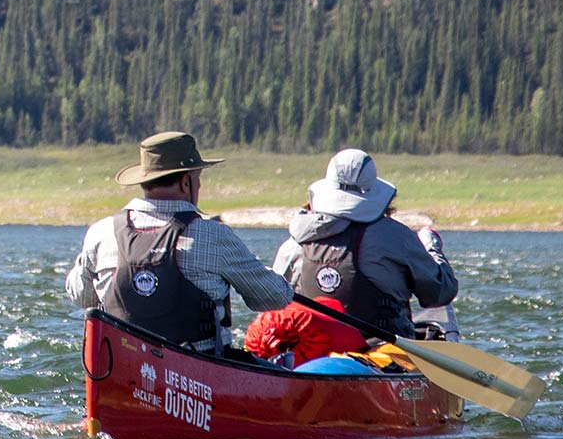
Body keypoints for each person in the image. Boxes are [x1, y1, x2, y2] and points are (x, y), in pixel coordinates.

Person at [67, 131, 294, 353]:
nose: (200, 186)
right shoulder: (214, 236)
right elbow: (274, 298)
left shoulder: (100, 232)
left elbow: (81, 296)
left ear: (145, 181)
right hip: (199, 374)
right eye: (198, 178)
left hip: (120, 366)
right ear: (186, 182)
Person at [271, 148, 458, 340]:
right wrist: (431, 247)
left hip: (312, 354)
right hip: (383, 355)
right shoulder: (394, 236)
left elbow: (271, 302)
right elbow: (439, 294)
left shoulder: (296, 240)